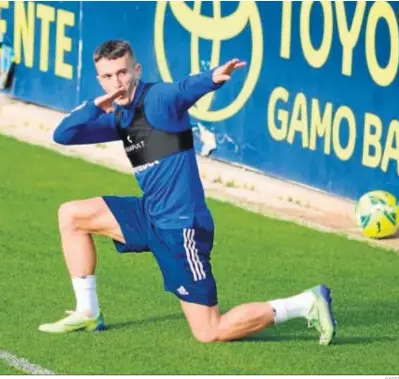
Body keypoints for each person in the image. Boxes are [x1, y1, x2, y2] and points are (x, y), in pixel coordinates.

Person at [38, 40, 337, 345]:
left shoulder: (158, 99)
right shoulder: (119, 117)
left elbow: (182, 90)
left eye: (123, 73)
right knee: (72, 215)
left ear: (136, 70)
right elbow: (64, 134)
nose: (118, 82)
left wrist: (212, 78)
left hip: (182, 228)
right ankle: (88, 312)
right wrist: (94, 106)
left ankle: (305, 303)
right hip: (150, 214)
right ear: (100, 80)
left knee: (210, 331)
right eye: (108, 76)